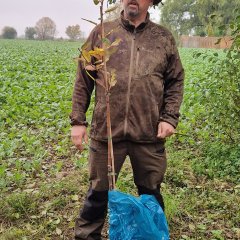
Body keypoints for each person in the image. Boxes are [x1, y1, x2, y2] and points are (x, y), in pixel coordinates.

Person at [70, 0, 184, 239]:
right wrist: (78, 121)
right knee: (97, 194)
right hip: (106, 133)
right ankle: (87, 236)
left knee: (150, 193)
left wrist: (169, 118)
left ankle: (151, 234)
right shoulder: (102, 32)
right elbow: (83, 80)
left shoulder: (163, 38)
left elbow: (175, 81)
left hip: (149, 134)